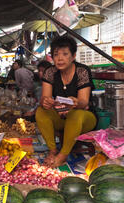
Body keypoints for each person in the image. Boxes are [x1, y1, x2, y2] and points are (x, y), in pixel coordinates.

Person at [35, 35, 97, 168]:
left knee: (76, 114)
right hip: (60, 117)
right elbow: (44, 99)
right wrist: (46, 102)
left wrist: (76, 102)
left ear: (73, 56)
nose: (60, 58)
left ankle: (62, 155)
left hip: (84, 118)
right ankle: (52, 150)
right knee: (41, 111)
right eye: (56, 54)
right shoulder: (50, 72)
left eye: (65, 54)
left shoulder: (82, 71)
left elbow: (84, 102)